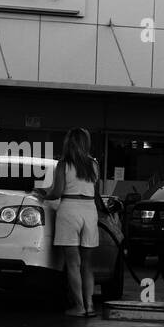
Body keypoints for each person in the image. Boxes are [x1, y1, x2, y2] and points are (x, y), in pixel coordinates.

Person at [33, 128, 102, 317]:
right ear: (85, 143)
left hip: (70, 209)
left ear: (68, 143)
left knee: (73, 263)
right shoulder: (94, 164)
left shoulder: (64, 164)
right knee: (87, 264)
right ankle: (90, 306)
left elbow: (57, 192)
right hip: (89, 210)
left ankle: (78, 307)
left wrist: (41, 193)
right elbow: (96, 193)